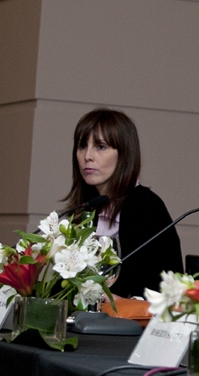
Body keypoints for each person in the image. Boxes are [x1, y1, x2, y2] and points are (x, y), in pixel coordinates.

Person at [63, 108, 183, 298]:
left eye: (100, 147)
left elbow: (137, 285)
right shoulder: (88, 208)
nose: (87, 156)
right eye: (82, 146)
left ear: (124, 154)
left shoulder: (145, 206)